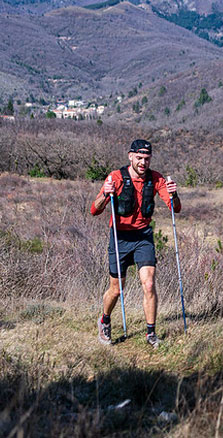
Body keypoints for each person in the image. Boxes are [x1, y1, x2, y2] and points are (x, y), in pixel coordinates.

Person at [90, 139, 181, 348]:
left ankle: (151, 333)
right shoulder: (116, 177)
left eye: (147, 159)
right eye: (139, 158)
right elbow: (95, 210)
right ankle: (105, 320)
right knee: (116, 290)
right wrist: (105, 194)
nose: (143, 163)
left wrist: (174, 194)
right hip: (120, 237)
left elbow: (175, 208)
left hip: (143, 237)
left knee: (149, 284)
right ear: (130, 156)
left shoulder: (156, 178)